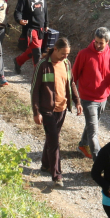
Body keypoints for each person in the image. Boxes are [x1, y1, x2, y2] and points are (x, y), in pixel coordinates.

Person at [30, 37, 80, 185]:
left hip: (62, 109)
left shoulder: (66, 63)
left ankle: (45, 165)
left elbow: (71, 83)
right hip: (47, 110)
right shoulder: (42, 65)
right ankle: (57, 175)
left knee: (53, 137)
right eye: (63, 53)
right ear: (55, 49)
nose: (66, 57)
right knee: (55, 142)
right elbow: (34, 90)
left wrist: (77, 101)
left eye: (68, 54)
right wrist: (36, 112)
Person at [72, 27, 110, 160]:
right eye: (96, 41)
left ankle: (83, 145)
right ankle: (99, 161)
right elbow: (73, 76)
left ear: (107, 42)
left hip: (103, 98)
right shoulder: (84, 54)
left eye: (101, 43)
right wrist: (72, 96)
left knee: (92, 124)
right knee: (94, 132)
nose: (97, 45)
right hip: (87, 98)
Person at [13, 0, 48, 74]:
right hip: (30, 29)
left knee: (33, 51)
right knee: (37, 52)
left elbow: (45, 9)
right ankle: (38, 75)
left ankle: (18, 61)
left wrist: (46, 23)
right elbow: (18, 11)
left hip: (40, 27)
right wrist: (20, 20)